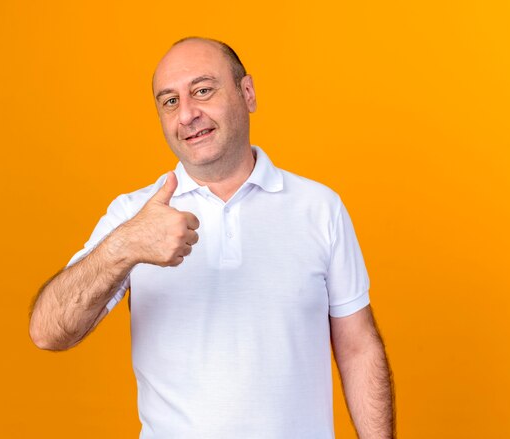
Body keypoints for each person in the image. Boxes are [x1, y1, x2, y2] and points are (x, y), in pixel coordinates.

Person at [29, 37, 395, 439]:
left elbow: (359, 346)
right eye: (169, 101)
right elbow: (49, 331)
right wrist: (126, 245)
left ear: (247, 93)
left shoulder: (319, 207)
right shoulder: (134, 214)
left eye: (203, 90)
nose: (186, 114)